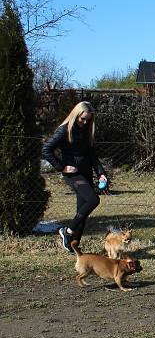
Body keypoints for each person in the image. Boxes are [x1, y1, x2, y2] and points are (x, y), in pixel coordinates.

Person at [42, 101, 108, 253]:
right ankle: (67, 231)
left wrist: (101, 173)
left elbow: (92, 156)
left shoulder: (86, 131)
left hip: (86, 174)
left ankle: (73, 244)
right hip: (73, 174)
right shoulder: (64, 130)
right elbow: (46, 150)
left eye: (88, 119)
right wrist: (62, 167)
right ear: (76, 114)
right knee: (93, 200)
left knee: (82, 210)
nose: (85, 122)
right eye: (82, 118)